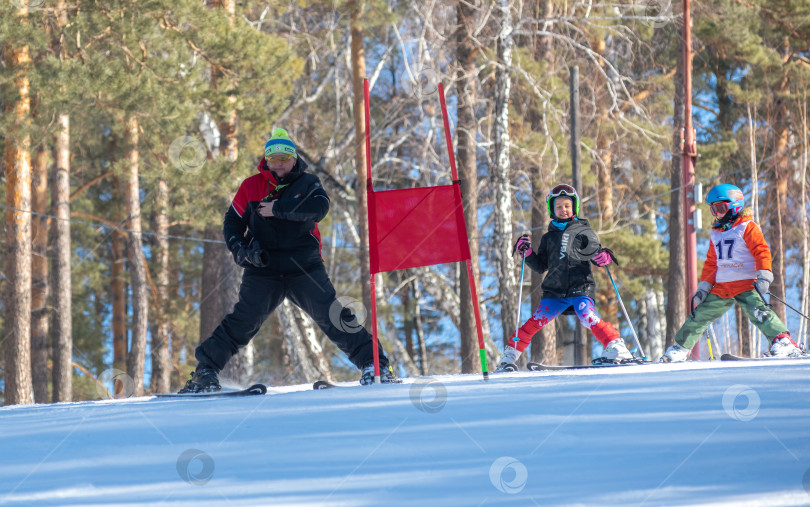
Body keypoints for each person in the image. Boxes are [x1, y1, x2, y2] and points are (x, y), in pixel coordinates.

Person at [180, 128, 395, 393]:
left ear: (294, 159)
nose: (279, 164)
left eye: (284, 158)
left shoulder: (309, 183)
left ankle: (375, 365)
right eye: (273, 158)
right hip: (263, 268)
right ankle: (205, 372)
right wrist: (241, 250)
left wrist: (278, 209)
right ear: (266, 160)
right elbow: (232, 221)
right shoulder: (251, 186)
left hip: (304, 267)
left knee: (333, 316)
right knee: (243, 321)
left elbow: (319, 209)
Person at [495, 183, 633, 371]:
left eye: (567, 206)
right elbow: (540, 266)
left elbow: (595, 252)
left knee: (587, 316)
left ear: (574, 208)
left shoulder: (584, 231)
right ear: (552, 210)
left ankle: (616, 346)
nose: (563, 210)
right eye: (558, 207)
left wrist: (603, 256)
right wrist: (527, 253)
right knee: (535, 321)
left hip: (580, 287)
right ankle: (509, 357)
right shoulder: (548, 238)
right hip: (555, 291)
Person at [660, 184, 803, 362]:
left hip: (746, 283)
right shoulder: (716, 234)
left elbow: (762, 251)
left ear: (735, 206)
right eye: (713, 210)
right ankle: (681, 348)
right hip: (722, 287)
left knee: (759, 313)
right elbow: (711, 263)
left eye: (720, 208)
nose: (717, 214)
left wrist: (764, 274)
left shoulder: (747, 227)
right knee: (700, 315)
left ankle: (783, 341)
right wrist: (704, 288)